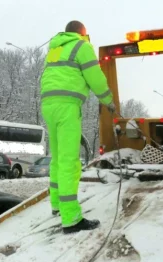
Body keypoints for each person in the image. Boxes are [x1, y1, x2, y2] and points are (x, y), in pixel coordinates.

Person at [40, 20, 115, 234]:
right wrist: (108, 100)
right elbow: (95, 77)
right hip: (67, 107)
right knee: (69, 161)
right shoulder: (82, 46)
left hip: (49, 105)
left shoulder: (55, 49)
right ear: (83, 33)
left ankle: (57, 205)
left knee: (57, 158)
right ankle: (71, 218)